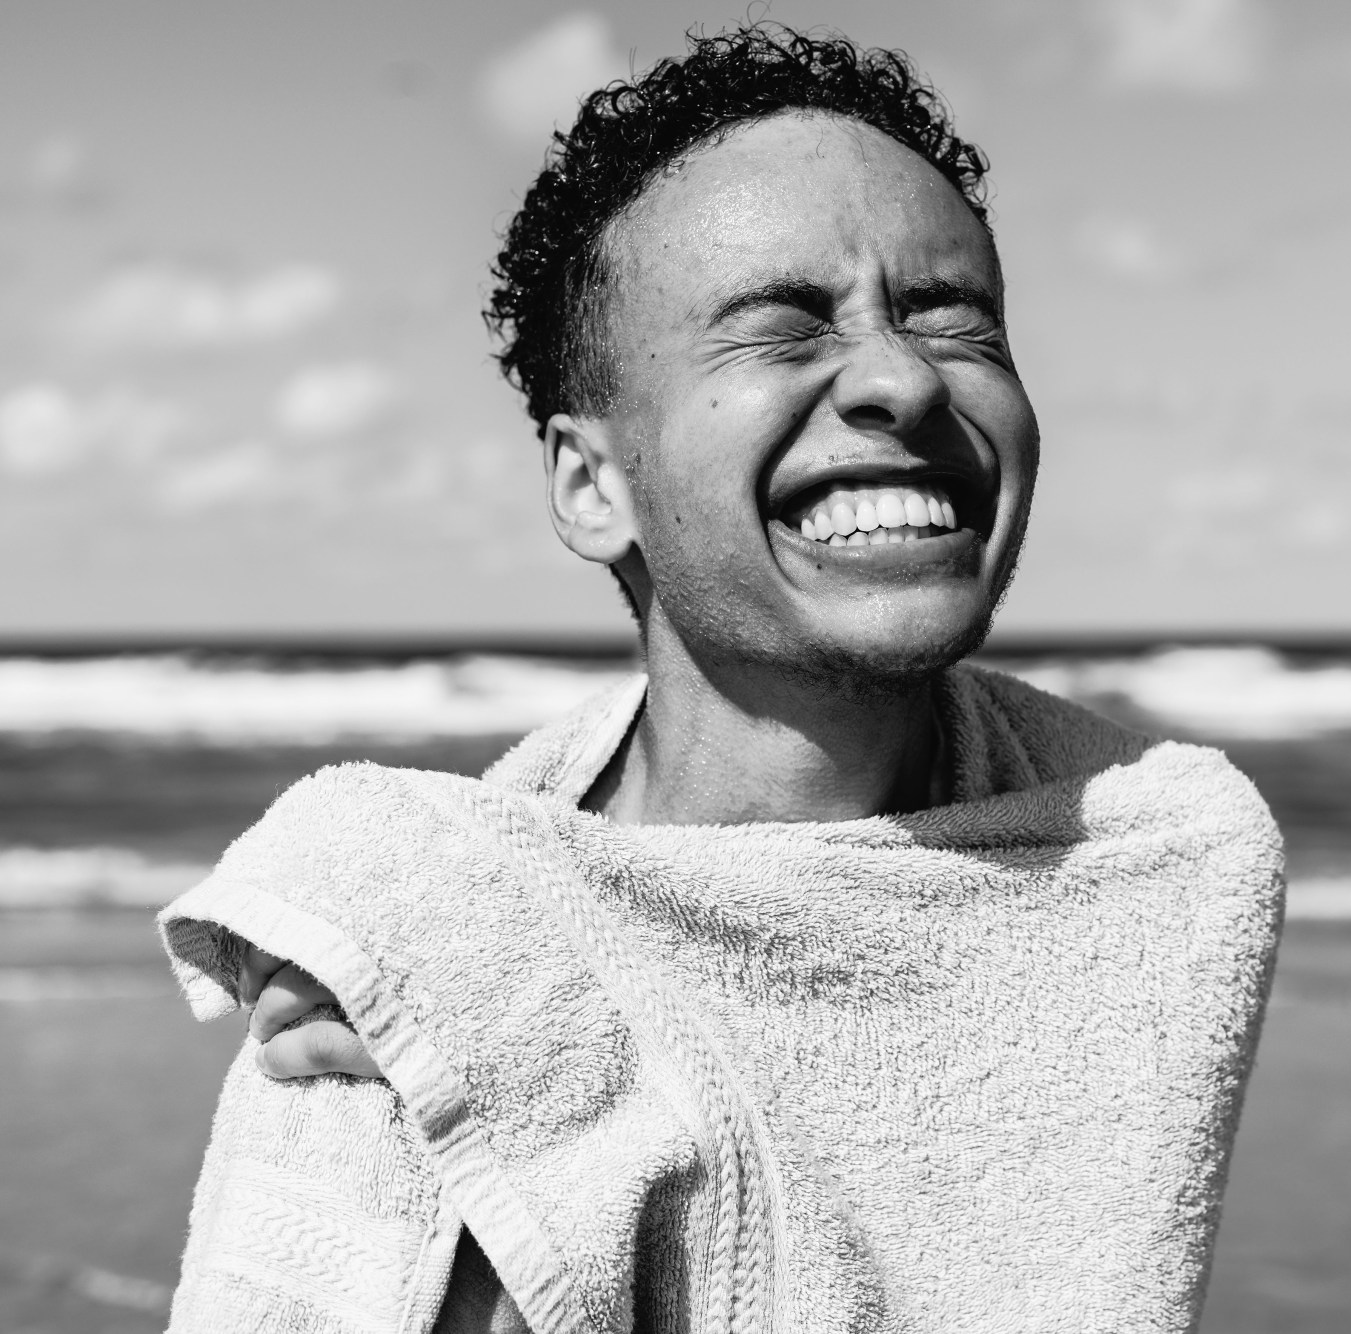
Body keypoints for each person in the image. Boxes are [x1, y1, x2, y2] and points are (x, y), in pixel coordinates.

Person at [159, 26, 1283, 1333]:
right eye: (782, 329)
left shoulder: (1160, 857)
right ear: (593, 486)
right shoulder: (414, 956)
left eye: (952, 317)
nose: (904, 379)